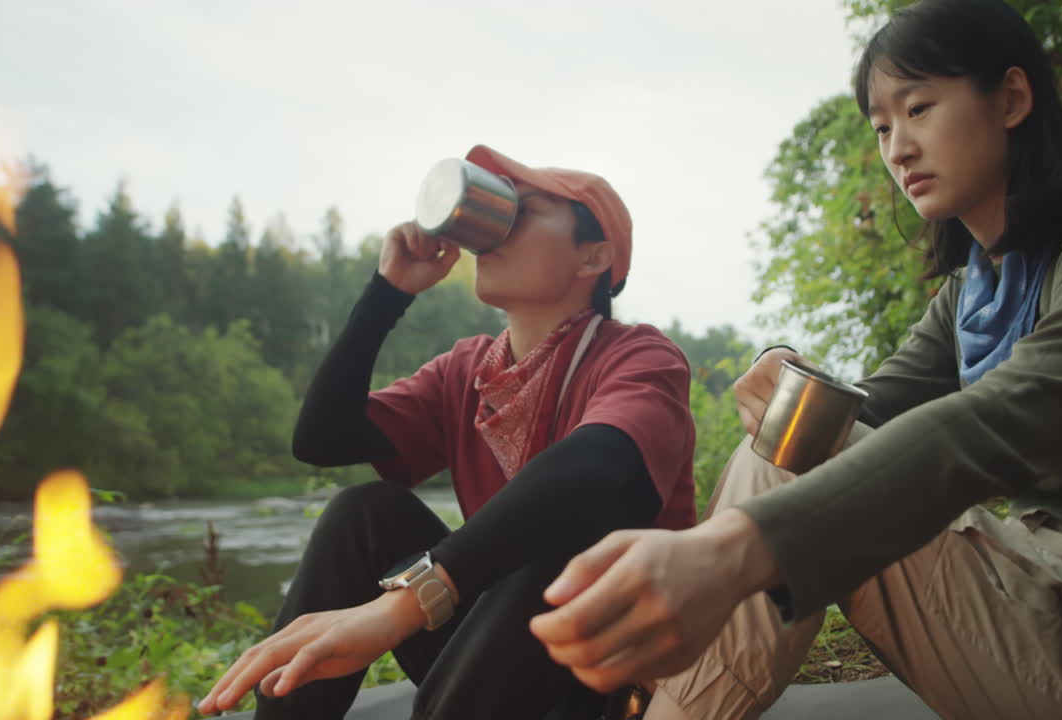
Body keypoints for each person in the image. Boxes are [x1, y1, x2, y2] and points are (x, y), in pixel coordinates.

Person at [529, 1, 1062, 718]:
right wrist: (786, 370)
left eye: (919, 109)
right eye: (883, 126)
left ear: (1012, 97)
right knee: (787, 443)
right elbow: (864, 413)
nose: (897, 148)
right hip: (1058, 586)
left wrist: (727, 554)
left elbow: (991, 427)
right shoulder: (976, 292)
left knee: (795, 463)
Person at [197, 145, 697, 720]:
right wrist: (389, 292)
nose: (494, 230)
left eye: (522, 210)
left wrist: (411, 600)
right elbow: (323, 439)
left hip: (616, 678)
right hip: (503, 657)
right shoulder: (469, 369)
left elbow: (594, 471)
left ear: (593, 258)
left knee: (557, 557)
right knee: (363, 514)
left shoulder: (639, 357)